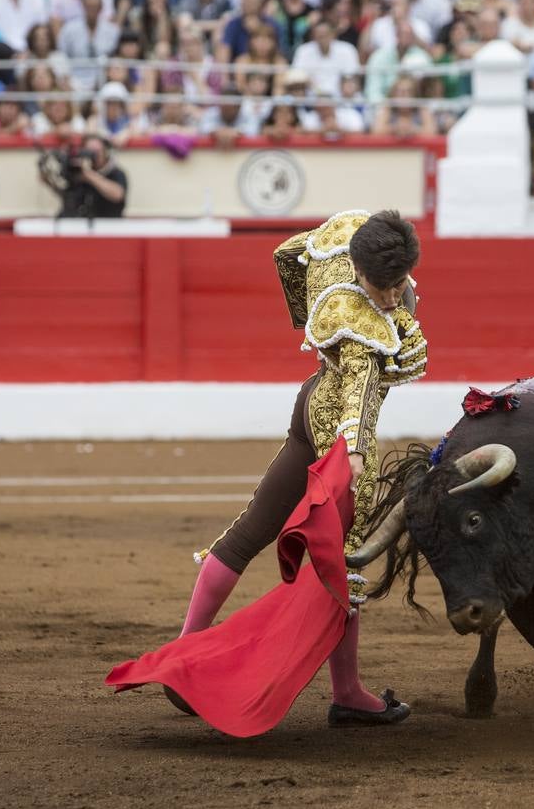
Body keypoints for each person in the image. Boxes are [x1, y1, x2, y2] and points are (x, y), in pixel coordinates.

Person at [176, 208, 426, 727]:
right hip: (338, 437)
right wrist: (355, 451)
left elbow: (287, 254)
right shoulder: (356, 318)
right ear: (360, 270)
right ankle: (349, 692)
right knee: (345, 561)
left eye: (394, 285)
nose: (386, 297)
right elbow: (358, 390)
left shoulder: (344, 233)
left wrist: (309, 324)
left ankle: (185, 651)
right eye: (379, 287)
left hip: (308, 407)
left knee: (251, 530)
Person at [42, 133, 127, 218]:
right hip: (79, 222)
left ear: (105, 151)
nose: (94, 155)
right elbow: (68, 197)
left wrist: (88, 176)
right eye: (89, 151)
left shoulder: (115, 172)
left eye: (97, 151)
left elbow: (118, 195)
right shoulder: (79, 171)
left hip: (106, 222)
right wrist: (50, 182)